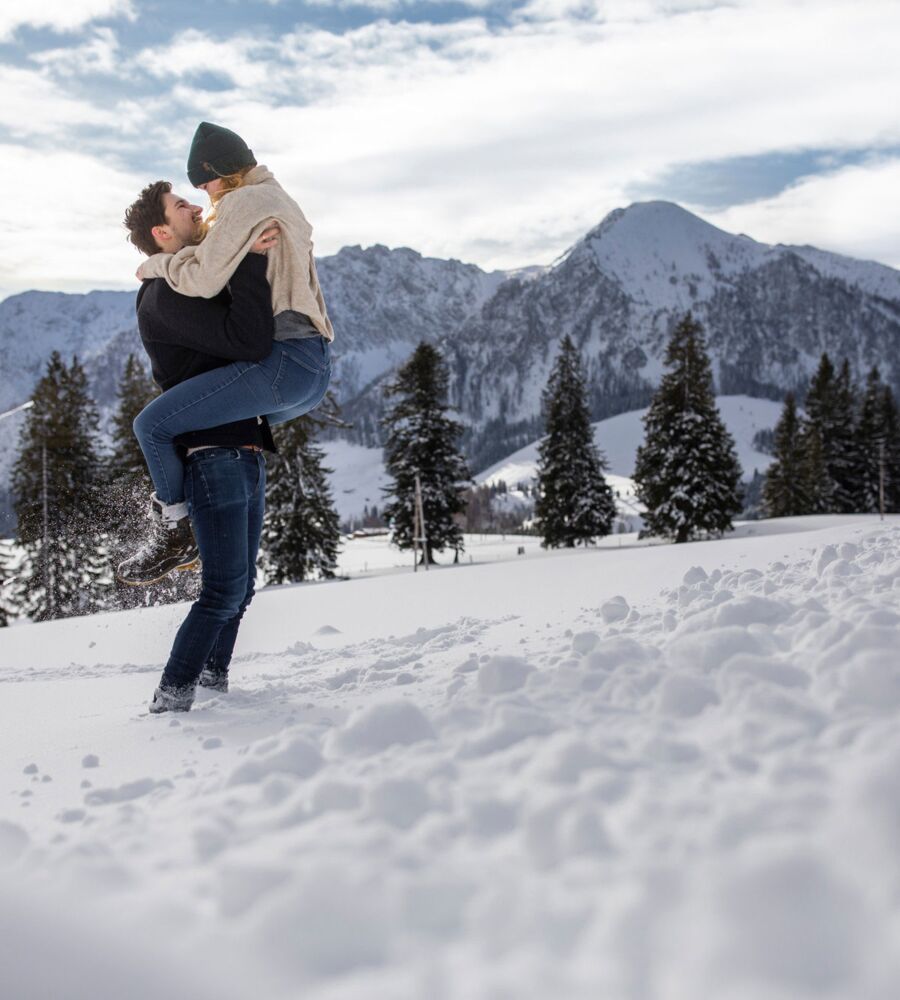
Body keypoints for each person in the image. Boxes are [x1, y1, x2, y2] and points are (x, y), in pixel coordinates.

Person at [118, 122, 334, 585]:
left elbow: (204, 278)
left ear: (220, 173)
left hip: (287, 363)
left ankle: (175, 528)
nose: (203, 198)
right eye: (187, 198)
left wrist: (155, 265)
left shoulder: (241, 203)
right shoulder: (273, 194)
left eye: (203, 183)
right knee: (194, 426)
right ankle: (181, 518)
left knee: (151, 425)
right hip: (311, 369)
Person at [122, 179, 279, 712]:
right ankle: (172, 699)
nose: (195, 206)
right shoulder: (164, 295)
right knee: (221, 591)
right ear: (163, 232)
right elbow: (248, 342)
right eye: (181, 205)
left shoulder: (189, 281)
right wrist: (253, 265)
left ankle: (214, 687)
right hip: (215, 458)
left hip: (242, 452)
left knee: (242, 588)